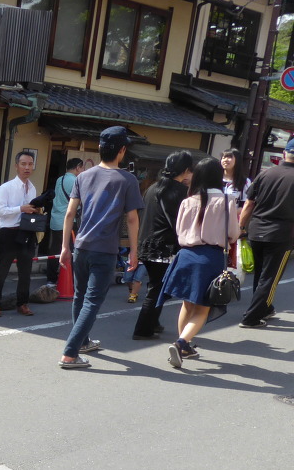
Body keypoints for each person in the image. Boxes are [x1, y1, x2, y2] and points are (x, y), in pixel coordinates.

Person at [58, 126, 143, 368]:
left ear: (100, 148)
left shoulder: (83, 177)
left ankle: (83, 342)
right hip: (105, 249)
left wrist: (65, 247)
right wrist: (134, 251)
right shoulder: (127, 179)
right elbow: (132, 219)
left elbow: (70, 213)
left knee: (80, 297)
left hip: (81, 246)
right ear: (122, 151)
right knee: (92, 301)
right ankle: (70, 353)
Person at [157, 158, 240, 368]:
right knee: (203, 308)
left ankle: (184, 345)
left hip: (186, 255)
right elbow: (233, 233)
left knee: (187, 303)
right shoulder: (226, 201)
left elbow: (179, 231)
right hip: (210, 257)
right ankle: (181, 343)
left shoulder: (187, 201)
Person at [132, 151, 193, 340]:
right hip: (163, 247)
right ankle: (143, 330)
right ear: (186, 170)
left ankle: (153, 322)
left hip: (147, 244)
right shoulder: (179, 191)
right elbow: (179, 223)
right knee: (157, 289)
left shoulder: (153, 187)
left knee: (157, 286)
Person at [237, 137, 294, 328]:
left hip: (256, 230)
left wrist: (241, 227)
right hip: (281, 233)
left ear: (284, 153)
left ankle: (265, 308)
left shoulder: (265, 174)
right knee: (270, 278)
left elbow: (249, 203)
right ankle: (251, 317)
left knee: (261, 274)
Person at [0, 151, 40, 316]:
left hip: (27, 231)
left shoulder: (32, 188)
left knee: (25, 271)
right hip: (9, 232)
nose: (27, 167)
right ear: (16, 166)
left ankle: (22, 303)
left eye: (30, 164)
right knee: (2, 270)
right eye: (23, 164)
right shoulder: (6, 188)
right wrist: (21, 208)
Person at [40, 158, 83, 288]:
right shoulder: (75, 181)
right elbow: (80, 200)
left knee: (55, 250)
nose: (82, 171)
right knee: (71, 251)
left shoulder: (60, 179)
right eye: (82, 168)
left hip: (55, 219)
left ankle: (51, 279)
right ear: (78, 167)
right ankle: (69, 280)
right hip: (68, 222)